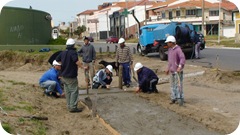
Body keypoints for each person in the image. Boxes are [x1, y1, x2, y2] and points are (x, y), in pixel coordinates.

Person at [56, 38, 86, 113]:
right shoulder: (73, 52)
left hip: (64, 75)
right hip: (71, 75)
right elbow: (76, 61)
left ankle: (69, 105)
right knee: (74, 91)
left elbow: (57, 59)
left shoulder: (63, 53)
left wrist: (64, 64)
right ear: (73, 45)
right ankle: (73, 107)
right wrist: (82, 67)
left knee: (68, 91)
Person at [165, 35, 186, 106]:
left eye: (168, 42)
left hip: (177, 71)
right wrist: (168, 68)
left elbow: (182, 59)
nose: (167, 44)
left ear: (172, 42)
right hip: (172, 71)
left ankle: (179, 98)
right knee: (172, 85)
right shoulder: (170, 50)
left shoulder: (178, 49)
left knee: (178, 85)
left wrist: (180, 66)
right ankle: (173, 98)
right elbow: (170, 61)